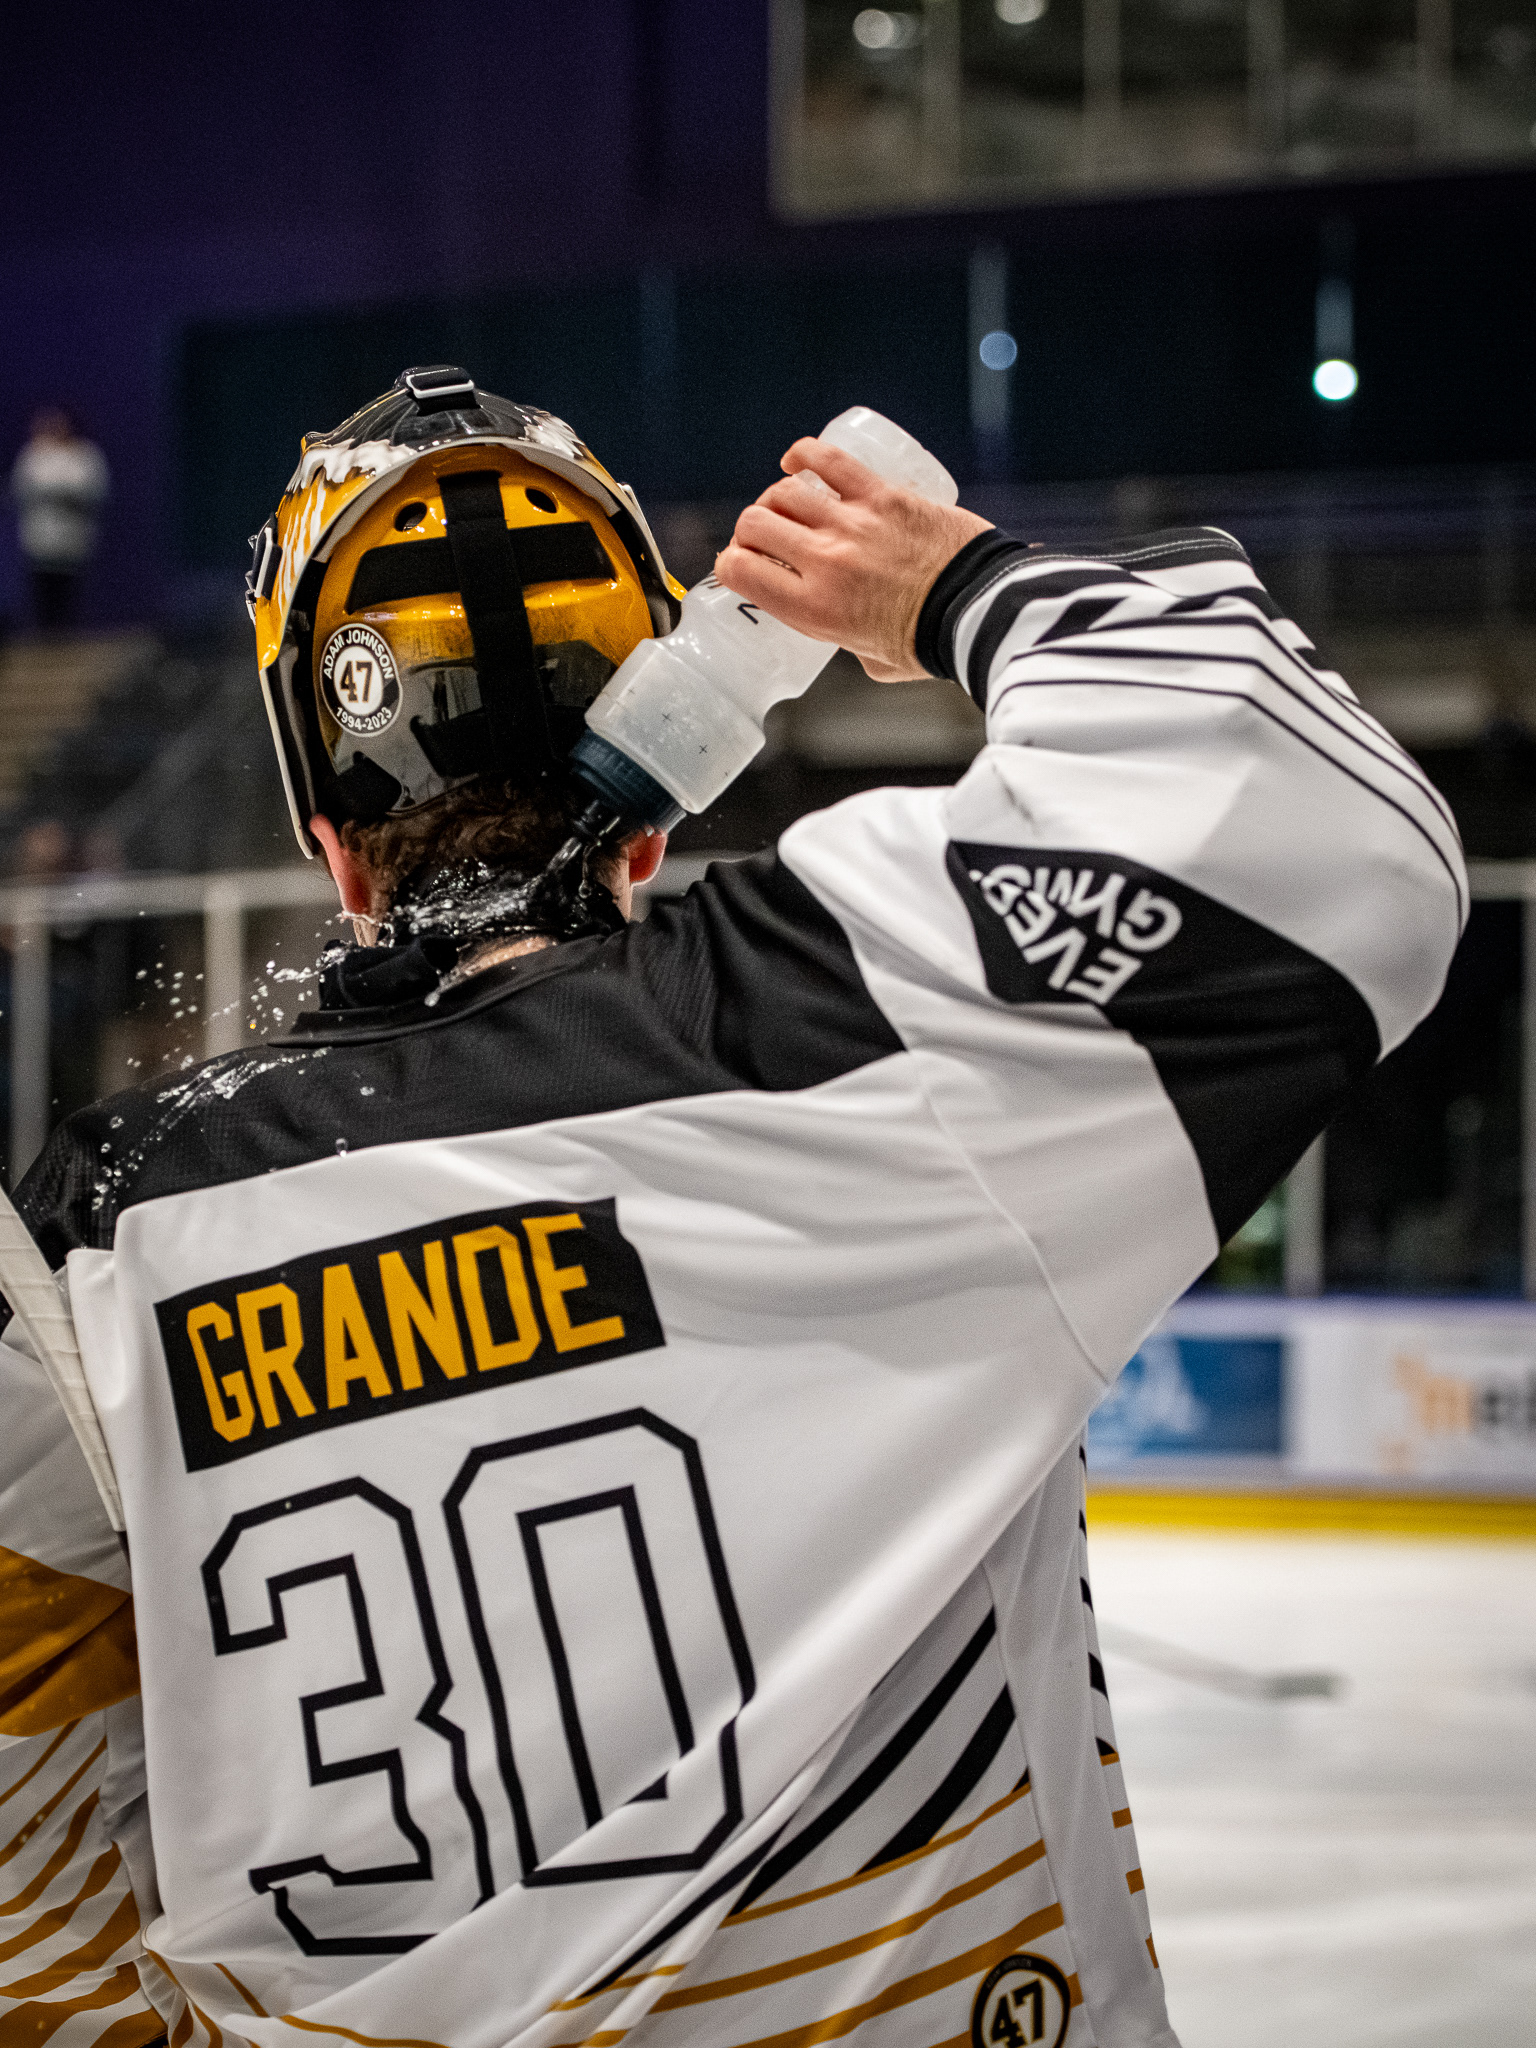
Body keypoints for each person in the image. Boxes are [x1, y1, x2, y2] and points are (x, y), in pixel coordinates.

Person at [0, 367, 1461, 2048]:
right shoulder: (855, 1017)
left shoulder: (94, 1239)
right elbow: (1337, 834)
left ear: (333, 849)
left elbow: (27, 1874)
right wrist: (955, 582)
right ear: (650, 820)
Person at [10, 408, 110, 633]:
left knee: (68, 592)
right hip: (39, 538)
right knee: (43, 591)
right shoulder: (33, 454)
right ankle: (45, 637)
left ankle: (66, 637)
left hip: (73, 537)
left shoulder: (85, 454)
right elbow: (20, 489)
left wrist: (56, 492)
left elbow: (92, 490)